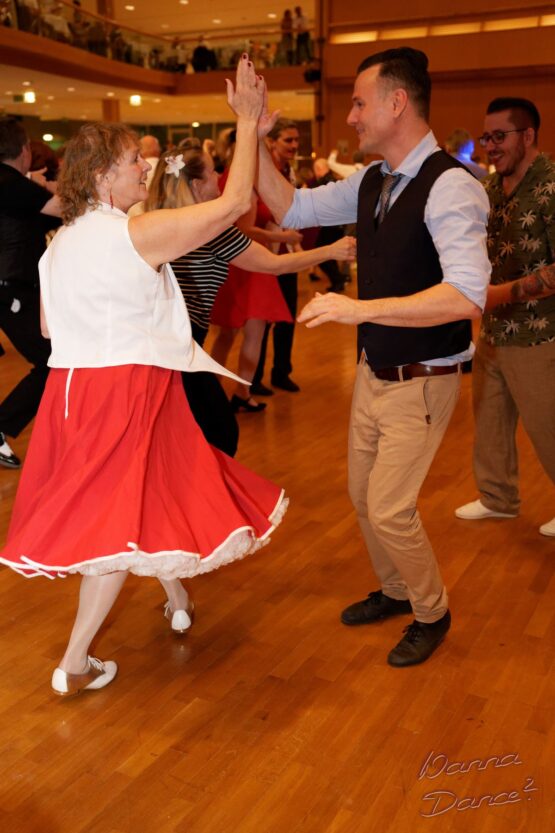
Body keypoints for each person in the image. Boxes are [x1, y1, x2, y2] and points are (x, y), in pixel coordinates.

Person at [0, 56, 287, 697]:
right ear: (104, 174)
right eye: (135, 161)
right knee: (113, 521)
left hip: (73, 391)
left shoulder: (59, 244)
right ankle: (75, 660)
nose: (145, 170)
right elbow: (235, 203)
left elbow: (47, 329)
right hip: (123, 387)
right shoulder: (134, 233)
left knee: (147, 493)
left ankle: (176, 593)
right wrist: (246, 123)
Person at [256, 46, 491, 667]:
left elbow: (466, 296)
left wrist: (359, 310)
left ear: (397, 103)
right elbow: (291, 207)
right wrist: (250, 136)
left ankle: (432, 612)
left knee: (389, 508)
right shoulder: (374, 180)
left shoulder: (451, 186)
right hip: (374, 371)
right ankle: (395, 590)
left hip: (423, 377)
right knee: (364, 496)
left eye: (360, 103)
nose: (351, 117)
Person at [145, 143, 355, 437]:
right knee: (217, 431)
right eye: (213, 171)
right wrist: (330, 251)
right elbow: (273, 265)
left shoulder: (156, 220)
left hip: (162, 340)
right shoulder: (211, 228)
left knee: (192, 430)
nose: (219, 176)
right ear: (196, 184)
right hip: (181, 343)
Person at [455, 98, 555, 537]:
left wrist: (503, 293)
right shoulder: (491, 189)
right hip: (494, 329)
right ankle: (498, 497)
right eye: (486, 137)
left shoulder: (551, 184)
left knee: (547, 424)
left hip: (541, 333)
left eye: (500, 136)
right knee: (490, 420)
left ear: (528, 135)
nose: (490, 146)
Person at [0, 117, 61, 469]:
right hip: (11, 291)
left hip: (14, 289)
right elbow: (66, 209)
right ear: (23, 150)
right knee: (53, 361)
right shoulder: (13, 185)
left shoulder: (14, 188)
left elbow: (46, 219)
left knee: (53, 359)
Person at [252, 118, 302, 394]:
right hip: (263, 257)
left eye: (296, 140)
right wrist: (283, 237)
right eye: (288, 140)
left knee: (287, 318)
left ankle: (281, 371)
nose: (294, 145)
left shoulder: (289, 171)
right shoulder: (260, 172)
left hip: (287, 257)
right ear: (272, 142)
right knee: (261, 321)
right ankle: (254, 378)